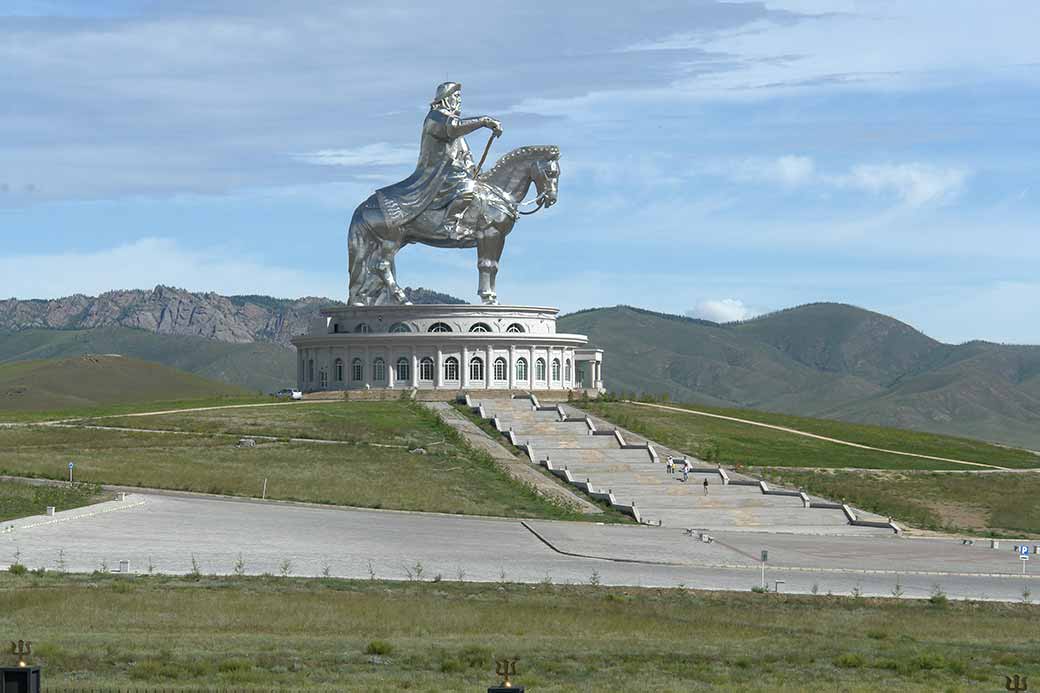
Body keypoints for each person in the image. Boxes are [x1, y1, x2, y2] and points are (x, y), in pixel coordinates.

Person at [374, 82, 503, 237]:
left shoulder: (450, 121)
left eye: (459, 97)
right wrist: (484, 121)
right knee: (467, 188)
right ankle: (449, 225)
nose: (459, 100)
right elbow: (453, 128)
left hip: (453, 171)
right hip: (438, 173)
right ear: (445, 99)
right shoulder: (436, 117)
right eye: (456, 96)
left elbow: (464, 152)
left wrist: (471, 166)